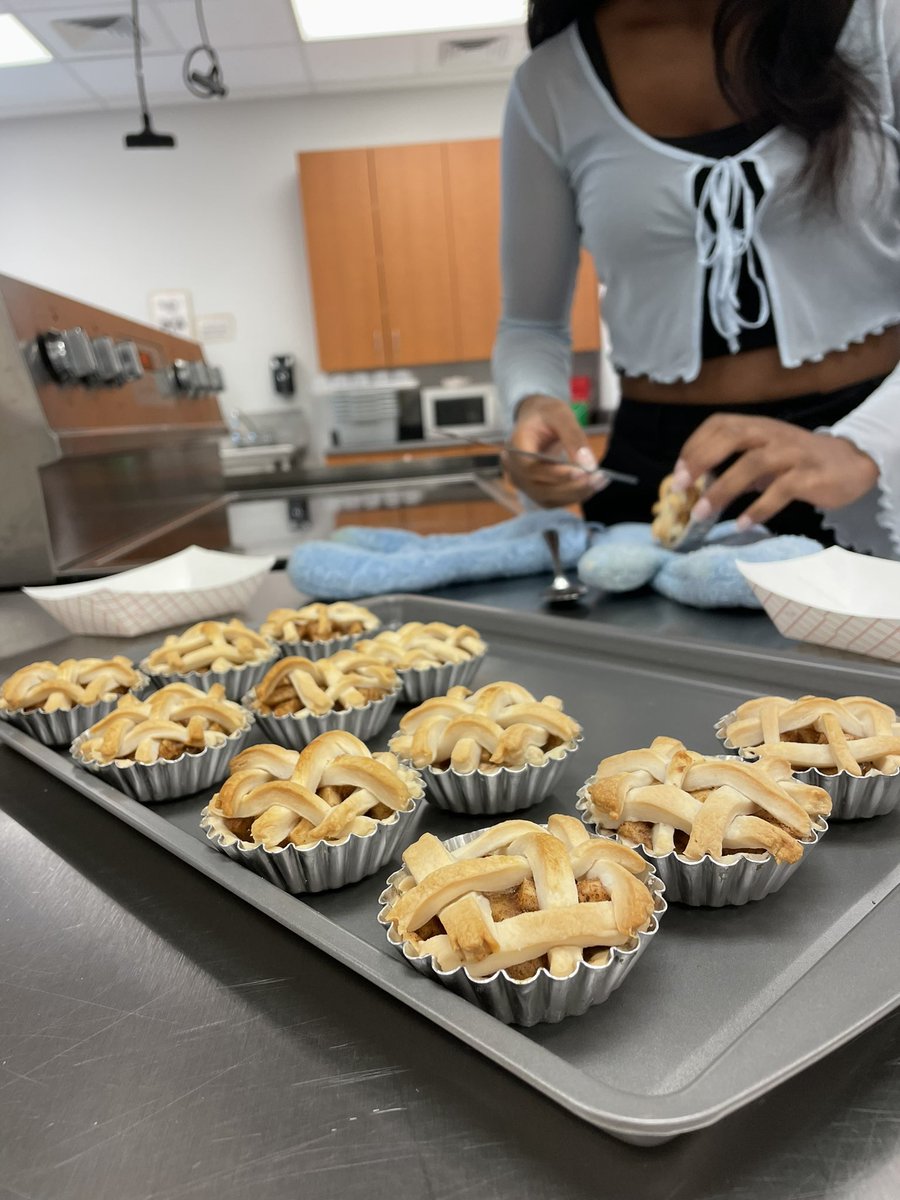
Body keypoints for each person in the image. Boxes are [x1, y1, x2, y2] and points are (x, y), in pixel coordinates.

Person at [493, 0, 900, 557]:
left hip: (871, 452)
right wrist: (534, 401)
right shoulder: (551, 85)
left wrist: (865, 444)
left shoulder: (878, 22)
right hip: (660, 473)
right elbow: (529, 324)